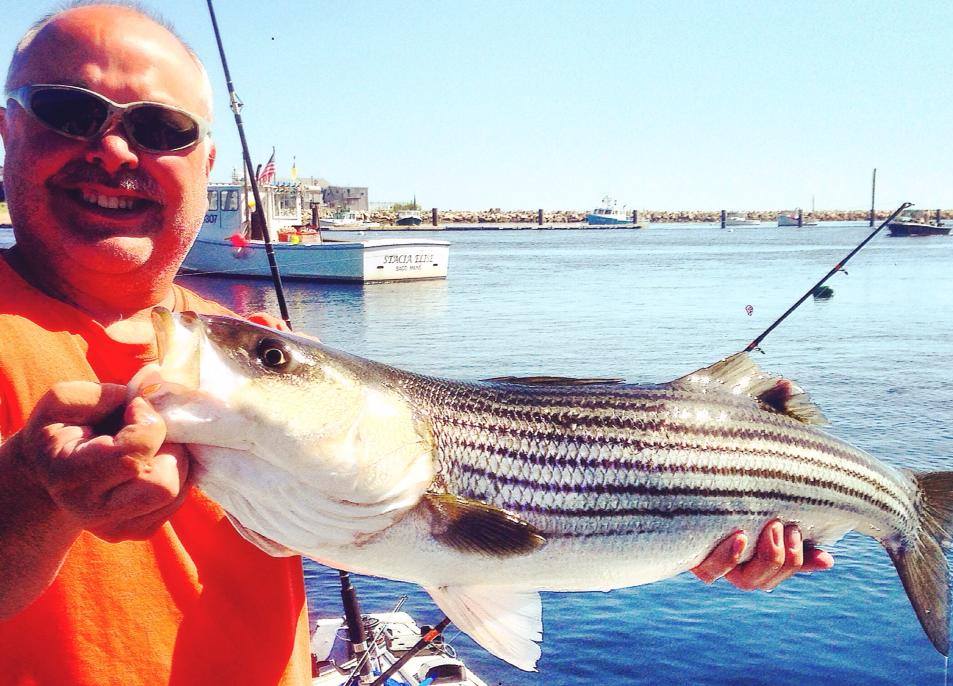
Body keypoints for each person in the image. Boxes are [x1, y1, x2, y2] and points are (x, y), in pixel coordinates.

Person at [0, 3, 832, 684]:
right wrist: (32, 496)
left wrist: (698, 515)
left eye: (160, 128)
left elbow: (507, 524)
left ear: (207, 159)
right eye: (68, 112)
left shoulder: (230, 344)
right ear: (8, 129)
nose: (113, 151)